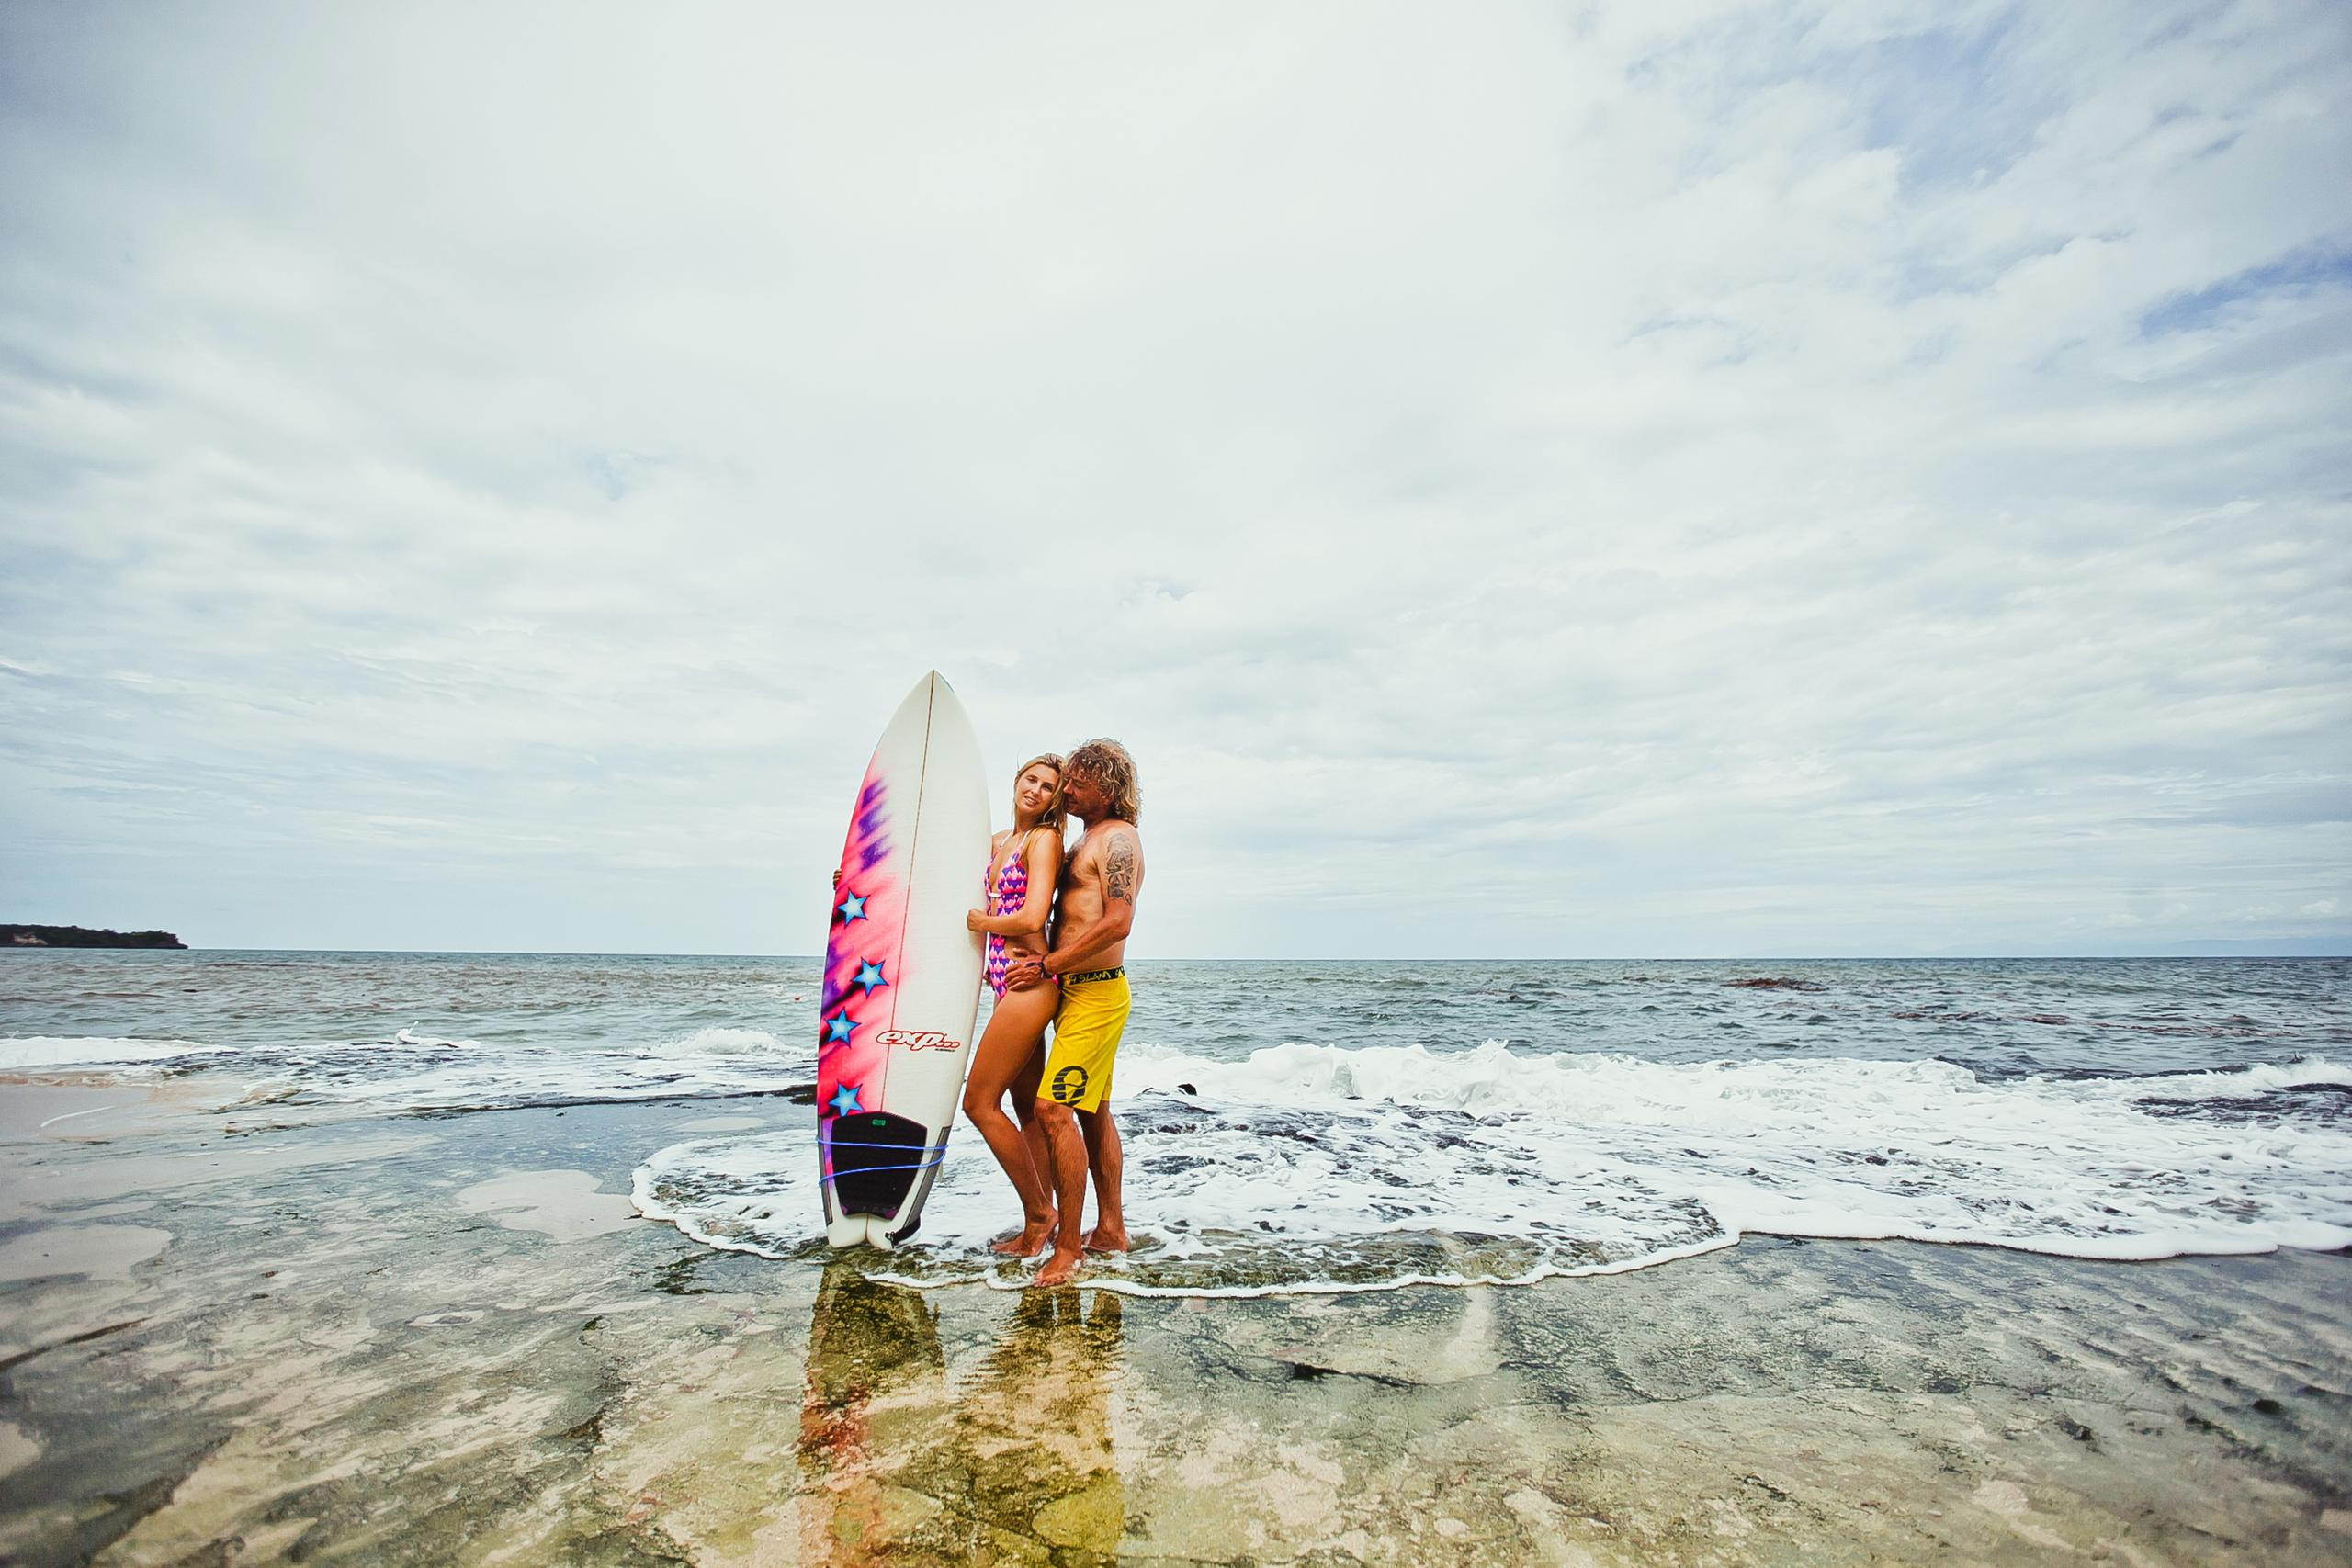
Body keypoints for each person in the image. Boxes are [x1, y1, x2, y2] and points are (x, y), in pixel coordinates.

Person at [1004, 739, 1144, 1288]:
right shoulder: (1084, 839)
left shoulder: (1119, 841)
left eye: (1079, 781)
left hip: (1096, 993)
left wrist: (1048, 966)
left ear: (1108, 787)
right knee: (1092, 1112)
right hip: (1079, 993)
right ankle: (1109, 1229)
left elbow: (1117, 923)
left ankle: (1069, 1250)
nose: (1068, 789)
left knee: (1053, 1111)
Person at [960, 755, 1067, 1257]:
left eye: (1049, 787)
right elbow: (939, 886)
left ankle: (1040, 1215)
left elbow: (1032, 914)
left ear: (1055, 798)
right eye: (1031, 780)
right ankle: (1040, 1220)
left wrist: (983, 925)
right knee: (1027, 1111)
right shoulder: (999, 842)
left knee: (979, 1104)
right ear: (1017, 781)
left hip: (1030, 986)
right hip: (1007, 986)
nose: (1037, 791)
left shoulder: (1043, 840)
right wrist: (855, 881)